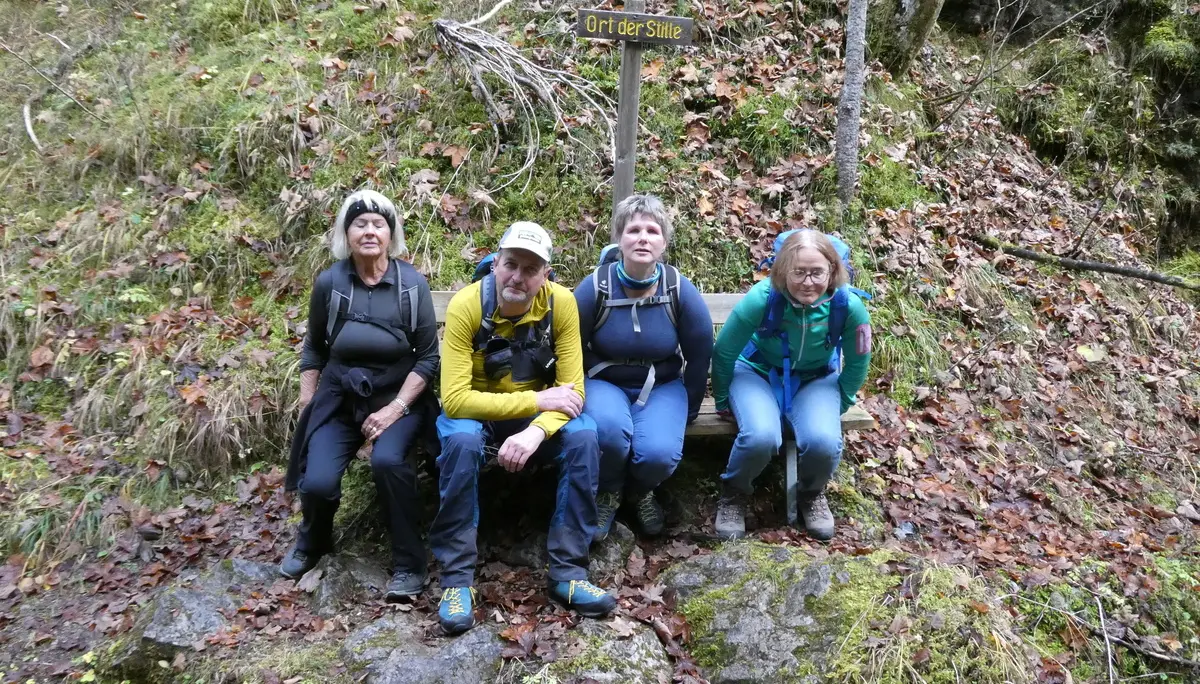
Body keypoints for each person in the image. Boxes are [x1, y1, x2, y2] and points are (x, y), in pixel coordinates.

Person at [430, 221, 616, 635]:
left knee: (584, 436)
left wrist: (535, 430)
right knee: (460, 441)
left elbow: (573, 391)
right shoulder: (467, 306)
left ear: (545, 274)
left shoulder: (562, 304)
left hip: (535, 420)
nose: (518, 277)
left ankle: (568, 572)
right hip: (476, 414)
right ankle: (457, 581)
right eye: (511, 264)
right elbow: (455, 399)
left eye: (531, 269)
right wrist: (535, 401)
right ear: (496, 263)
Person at [283, 189, 440, 602]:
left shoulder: (412, 285)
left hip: (398, 395)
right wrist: (309, 405)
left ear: (391, 234)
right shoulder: (331, 284)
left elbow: (427, 358)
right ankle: (312, 542)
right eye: (360, 223)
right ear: (346, 233)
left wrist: (395, 409)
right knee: (316, 482)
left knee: (389, 462)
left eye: (378, 224)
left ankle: (410, 562)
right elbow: (314, 348)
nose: (369, 231)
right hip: (338, 396)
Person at [710, 229, 872, 541]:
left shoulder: (848, 306)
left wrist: (842, 401)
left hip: (816, 379)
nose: (808, 282)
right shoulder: (762, 298)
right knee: (760, 436)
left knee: (824, 441)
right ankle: (734, 494)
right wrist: (720, 398)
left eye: (817, 272)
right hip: (757, 372)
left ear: (833, 271)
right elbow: (725, 351)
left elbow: (858, 360)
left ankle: (811, 493)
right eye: (799, 272)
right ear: (783, 270)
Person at [574, 195, 713, 540]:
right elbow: (568, 345)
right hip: (604, 381)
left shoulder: (678, 287)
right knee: (606, 432)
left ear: (663, 242)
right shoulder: (596, 287)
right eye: (633, 230)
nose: (642, 237)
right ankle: (608, 491)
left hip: (662, 385)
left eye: (652, 230)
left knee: (659, 454)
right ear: (619, 238)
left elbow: (700, 350)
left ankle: (639, 492)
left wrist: (691, 404)